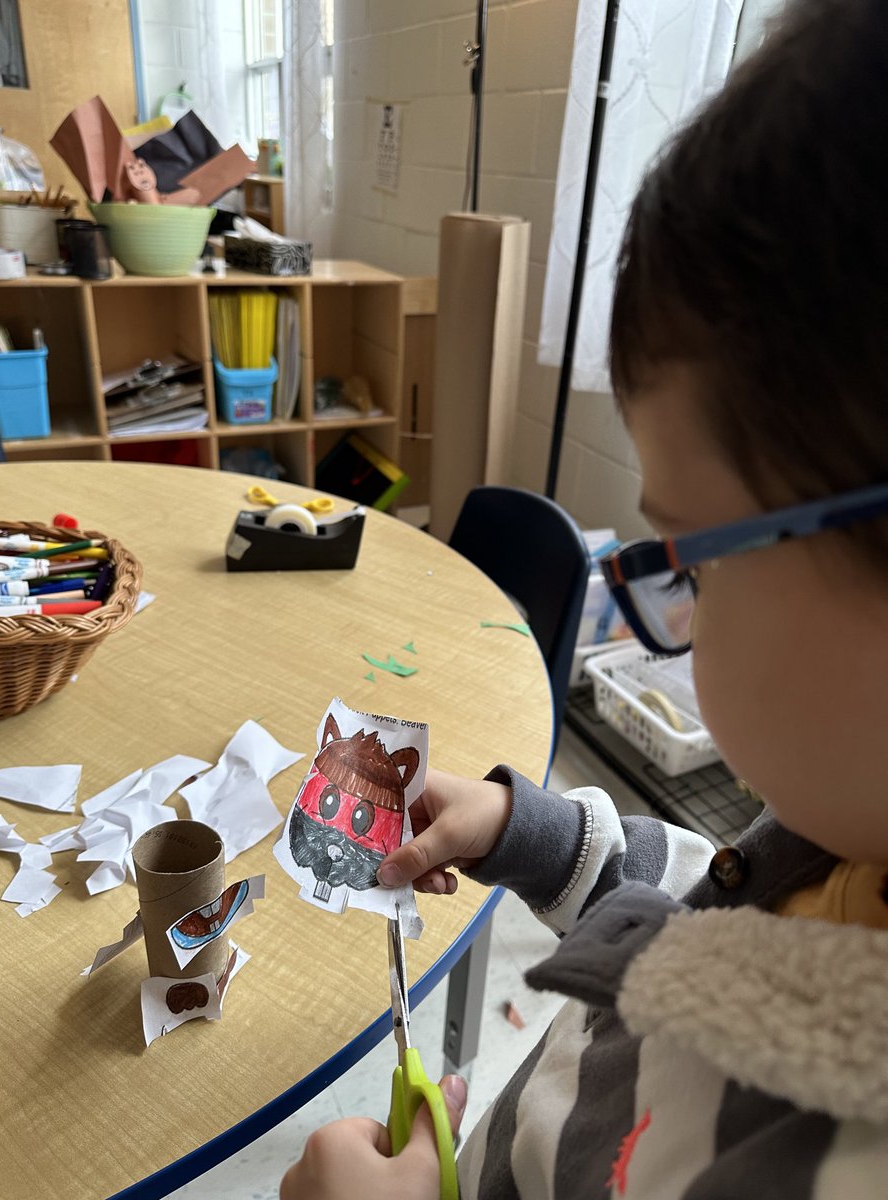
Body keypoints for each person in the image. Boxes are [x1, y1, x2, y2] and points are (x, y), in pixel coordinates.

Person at [280, 0, 888, 1195]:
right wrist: (533, 833)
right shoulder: (846, 835)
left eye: (697, 564)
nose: (685, 609)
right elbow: (727, 910)